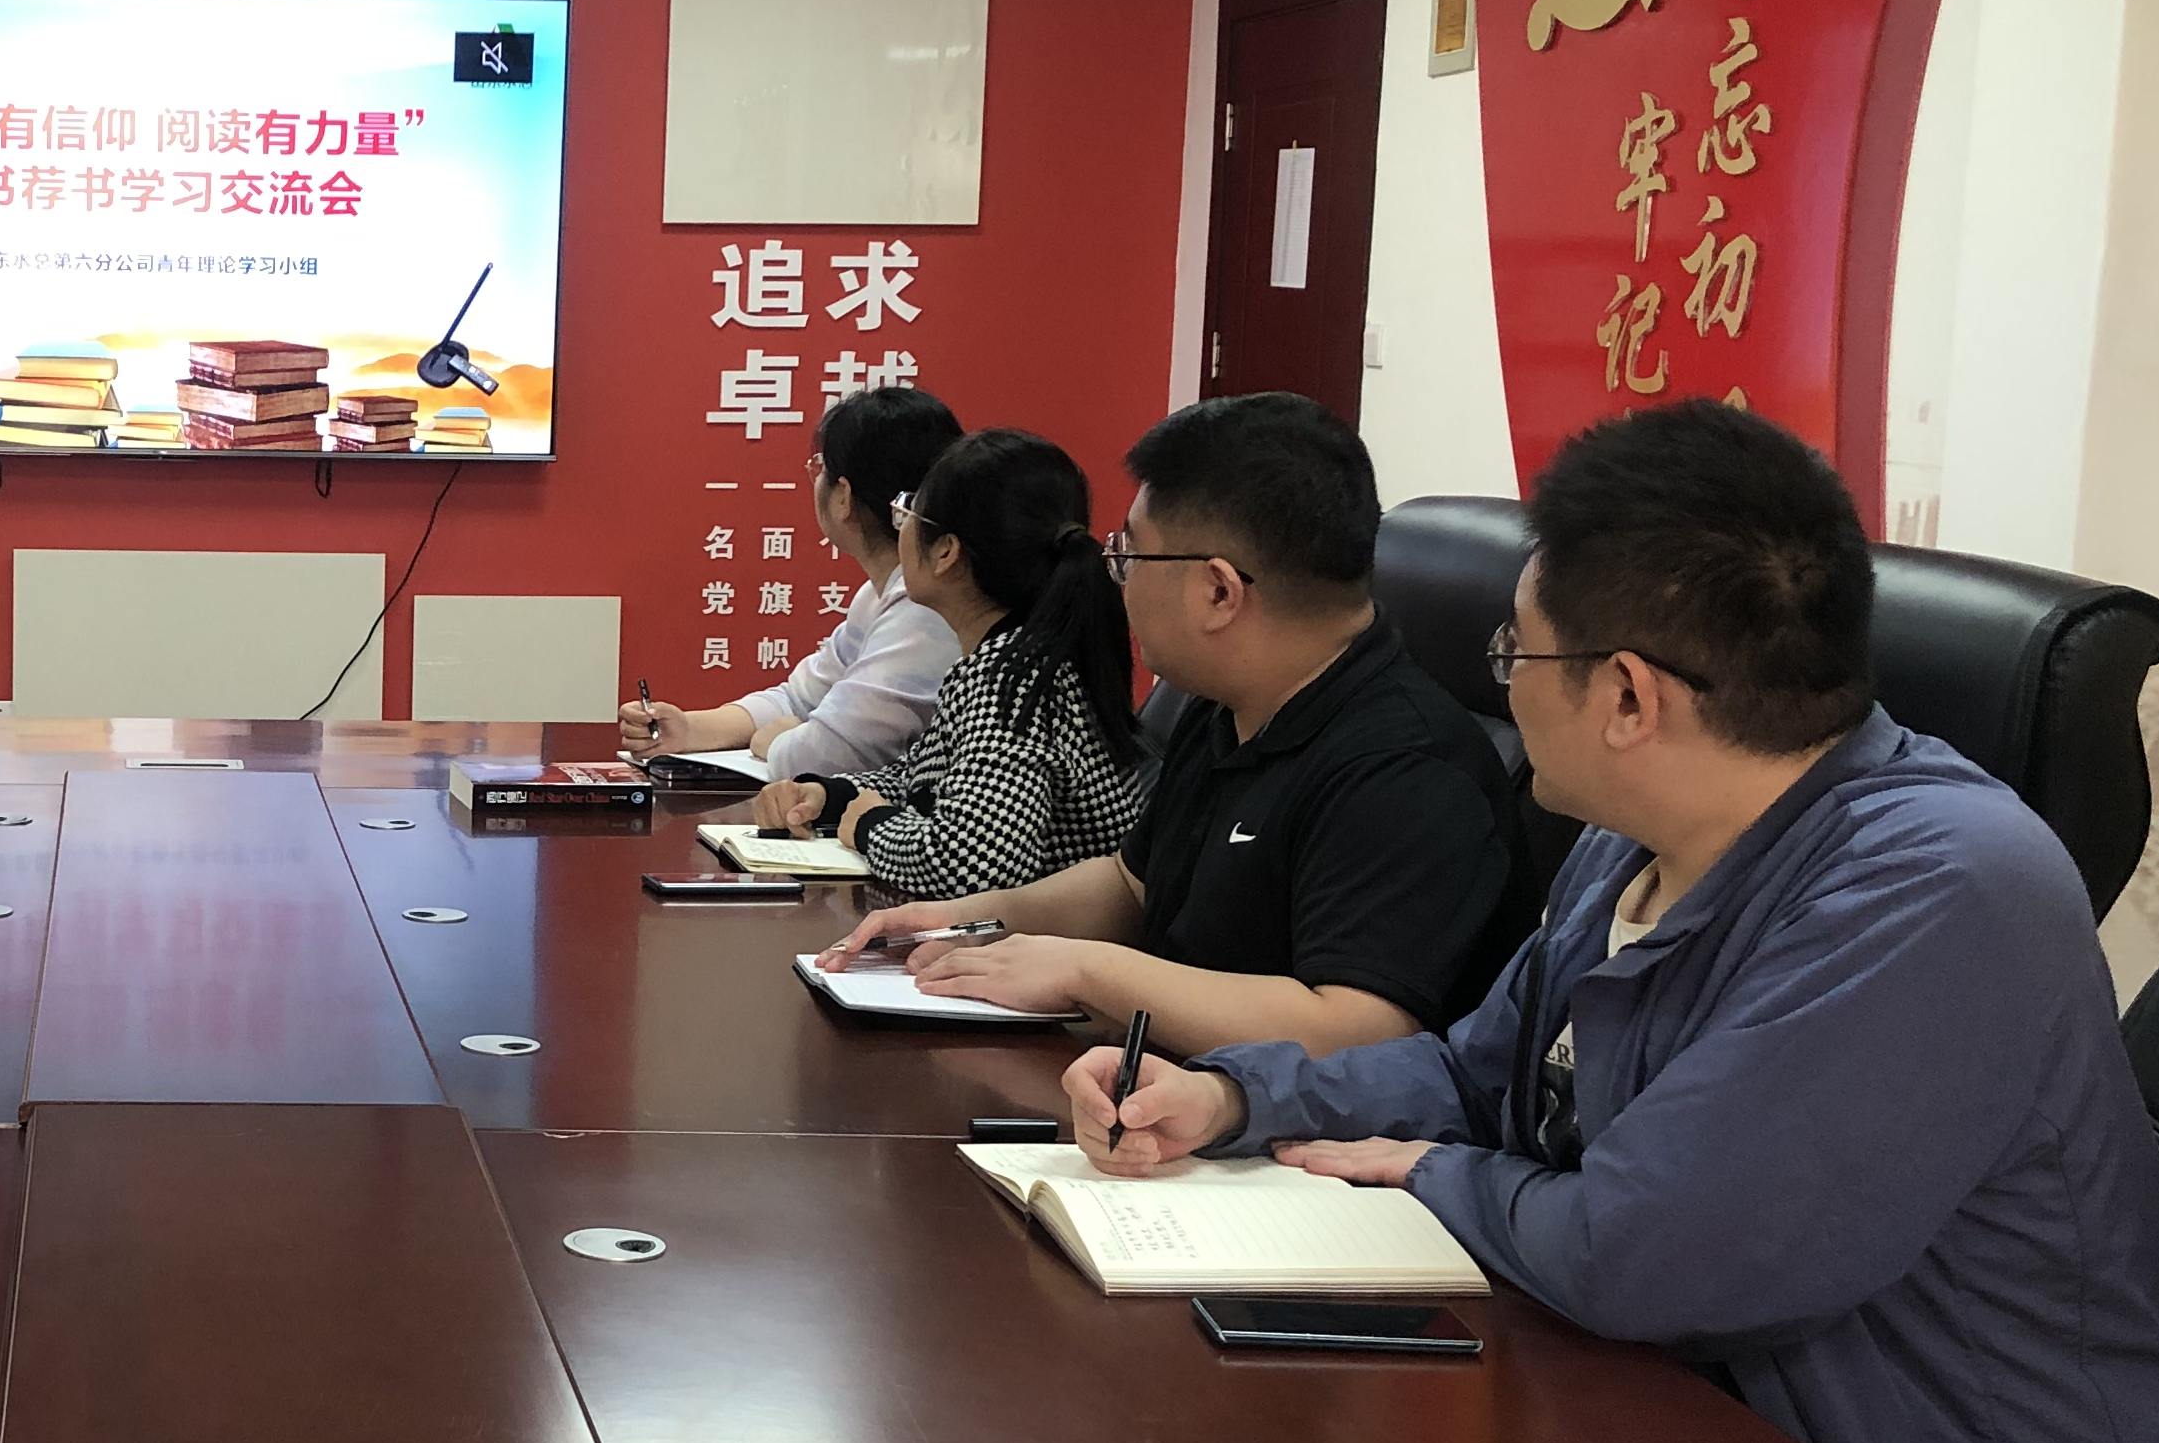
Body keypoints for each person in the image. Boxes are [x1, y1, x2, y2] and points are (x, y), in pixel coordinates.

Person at [1075, 403, 2159, 1443]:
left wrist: (1430, 1176)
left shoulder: (1947, 884)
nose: (1500, 684)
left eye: (1515, 650)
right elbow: (1477, 1077)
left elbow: (1644, 1251)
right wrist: (1233, 1096)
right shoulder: (1633, 845)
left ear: (1628, 696)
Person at [828, 391, 1523, 1055]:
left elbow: (1350, 1029)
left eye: (1130, 555)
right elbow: (1130, 884)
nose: (1117, 577)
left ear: (1218, 591)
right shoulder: (1229, 705)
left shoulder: (1407, 767)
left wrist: (1086, 971)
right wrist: (971, 917)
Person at [756, 428, 1145, 900]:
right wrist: (831, 796)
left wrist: (871, 826)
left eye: (908, 513)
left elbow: (972, 863)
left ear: (946, 552)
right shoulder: (1017, 657)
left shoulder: (1010, 679)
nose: (901, 528)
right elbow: (924, 778)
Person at [620, 387, 960, 779]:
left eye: (820, 469)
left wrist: (777, 739)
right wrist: (690, 730)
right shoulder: (878, 594)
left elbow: (829, 754)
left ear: (843, 496)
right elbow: (799, 698)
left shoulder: (926, 605)